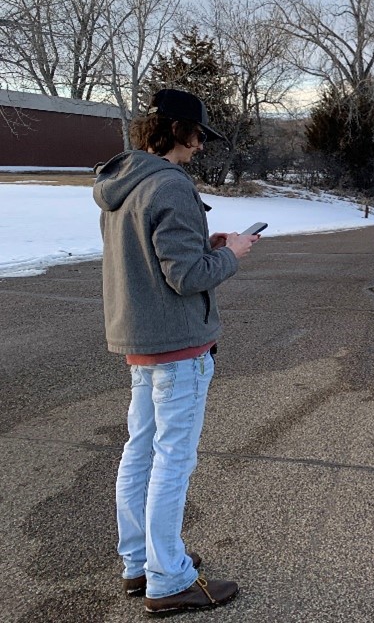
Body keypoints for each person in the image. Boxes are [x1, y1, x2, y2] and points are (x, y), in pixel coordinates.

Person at [94, 88, 259, 615]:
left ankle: (139, 563)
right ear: (178, 131)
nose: (200, 147)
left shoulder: (123, 184)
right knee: (172, 460)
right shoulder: (170, 185)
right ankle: (168, 580)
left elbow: (154, 261)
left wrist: (207, 247)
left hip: (142, 344)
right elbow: (187, 277)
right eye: (197, 136)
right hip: (178, 346)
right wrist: (232, 254)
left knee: (140, 452)